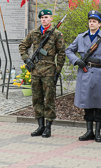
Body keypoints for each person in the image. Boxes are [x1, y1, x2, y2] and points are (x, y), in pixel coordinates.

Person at [65, 10, 101, 143]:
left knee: (98, 105)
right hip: (85, 73)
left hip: (99, 75)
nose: (91, 23)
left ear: (99, 24)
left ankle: (97, 133)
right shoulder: (81, 37)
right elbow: (68, 50)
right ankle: (89, 131)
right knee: (87, 104)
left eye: (94, 22)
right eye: (90, 21)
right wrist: (76, 60)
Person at [18, 9, 65, 138]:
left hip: (49, 71)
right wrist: (27, 59)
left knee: (49, 99)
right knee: (37, 99)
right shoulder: (34, 33)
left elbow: (61, 54)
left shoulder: (57, 34)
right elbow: (22, 45)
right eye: (42, 17)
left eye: (46, 17)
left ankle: (48, 127)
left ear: (51, 18)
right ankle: (40, 126)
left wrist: (57, 71)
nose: (44, 19)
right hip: (35, 71)